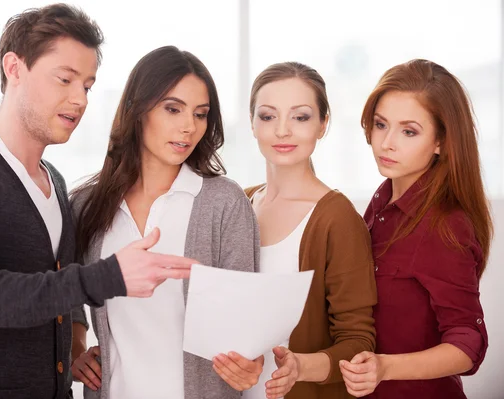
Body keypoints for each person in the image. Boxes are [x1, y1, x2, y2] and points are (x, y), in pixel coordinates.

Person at [0, 5, 194, 399]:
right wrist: (111, 276)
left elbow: (57, 288)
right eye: (65, 79)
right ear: (14, 68)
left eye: (87, 85)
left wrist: (75, 348)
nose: (79, 99)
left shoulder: (56, 183)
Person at [69, 45, 262, 399]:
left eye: (200, 114)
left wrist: (249, 364)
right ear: (137, 110)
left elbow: (244, 326)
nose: (189, 127)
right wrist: (75, 349)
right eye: (173, 109)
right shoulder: (85, 206)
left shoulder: (224, 203)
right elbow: (64, 288)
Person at [339, 59, 492, 399]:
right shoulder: (382, 201)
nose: (386, 143)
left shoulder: (445, 225)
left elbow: (468, 343)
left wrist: (386, 367)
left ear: (441, 141)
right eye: (381, 125)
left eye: (408, 131)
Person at [238, 62, 377, 399]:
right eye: (268, 116)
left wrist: (299, 366)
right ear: (252, 124)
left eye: (300, 117)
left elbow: (358, 342)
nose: (283, 131)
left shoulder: (337, 218)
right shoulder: (239, 203)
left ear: (323, 124)